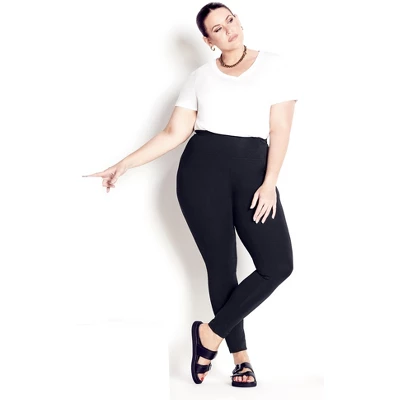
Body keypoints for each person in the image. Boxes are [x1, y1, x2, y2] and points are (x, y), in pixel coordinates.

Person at [83, 2, 299, 388]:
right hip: (201, 175)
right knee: (222, 267)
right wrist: (123, 164)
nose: (228, 30)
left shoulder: (275, 66)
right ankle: (241, 360)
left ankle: (208, 334)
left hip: (254, 174)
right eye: (218, 28)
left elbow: (280, 130)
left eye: (230, 20)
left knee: (278, 264)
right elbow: (173, 133)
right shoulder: (200, 78)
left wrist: (269, 184)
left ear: (238, 20)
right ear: (208, 40)